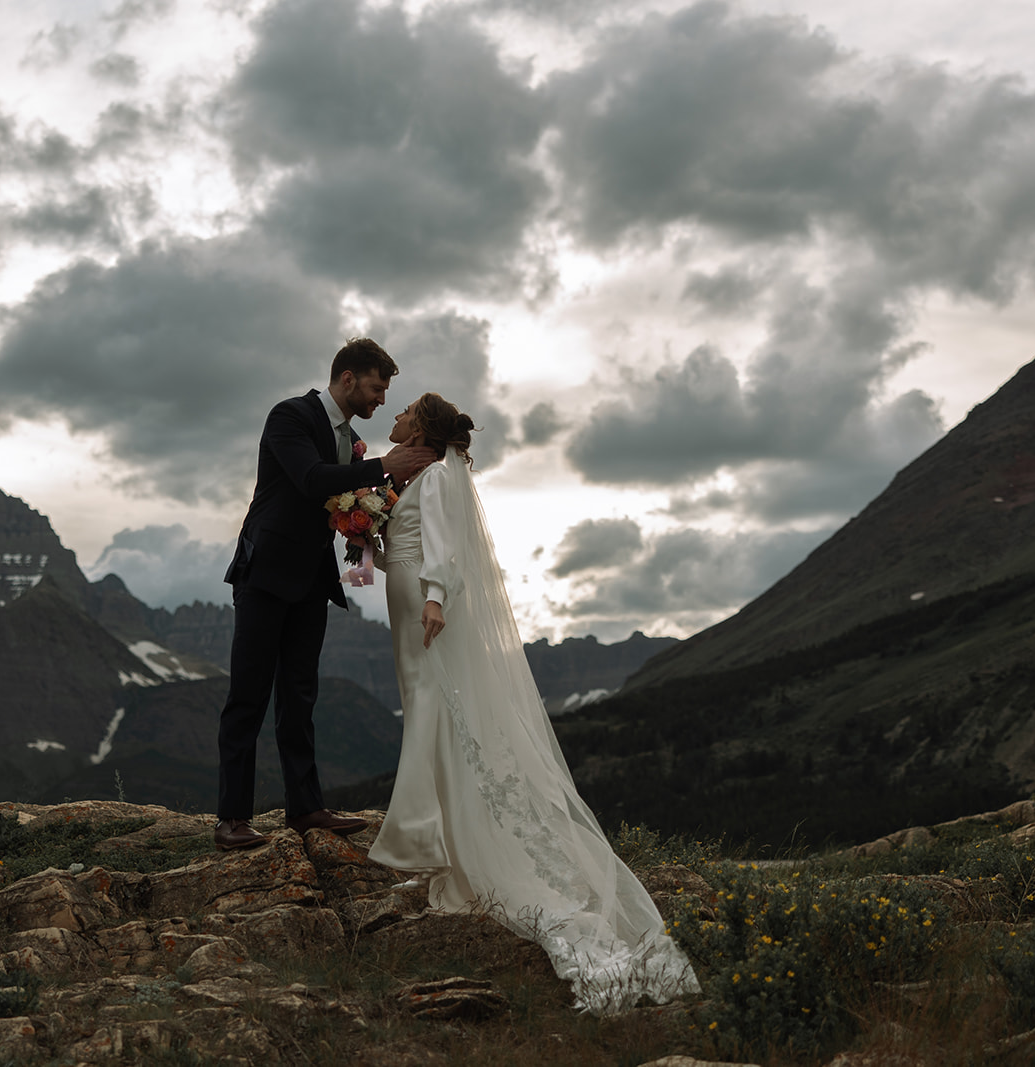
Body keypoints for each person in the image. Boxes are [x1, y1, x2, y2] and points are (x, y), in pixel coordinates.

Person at [367, 392, 699, 1014]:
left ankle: (426, 837)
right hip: (403, 590)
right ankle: (436, 833)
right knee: (427, 707)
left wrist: (435, 596)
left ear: (424, 428)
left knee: (435, 709)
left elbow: (444, 547)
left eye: (407, 407)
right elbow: (399, 548)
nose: (398, 412)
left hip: (421, 600)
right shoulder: (420, 475)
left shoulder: (437, 475)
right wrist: (368, 531)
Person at [215, 339, 436, 852]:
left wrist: (366, 543)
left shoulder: (353, 441)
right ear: (348, 379)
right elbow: (311, 479)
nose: (381, 400)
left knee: (300, 696)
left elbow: (341, 507)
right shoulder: (289, 416)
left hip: (312, 582)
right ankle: (231, 818)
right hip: (265, 574)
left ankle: (306, 809)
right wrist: (385, 465)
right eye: (378, 388)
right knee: (248, 696)